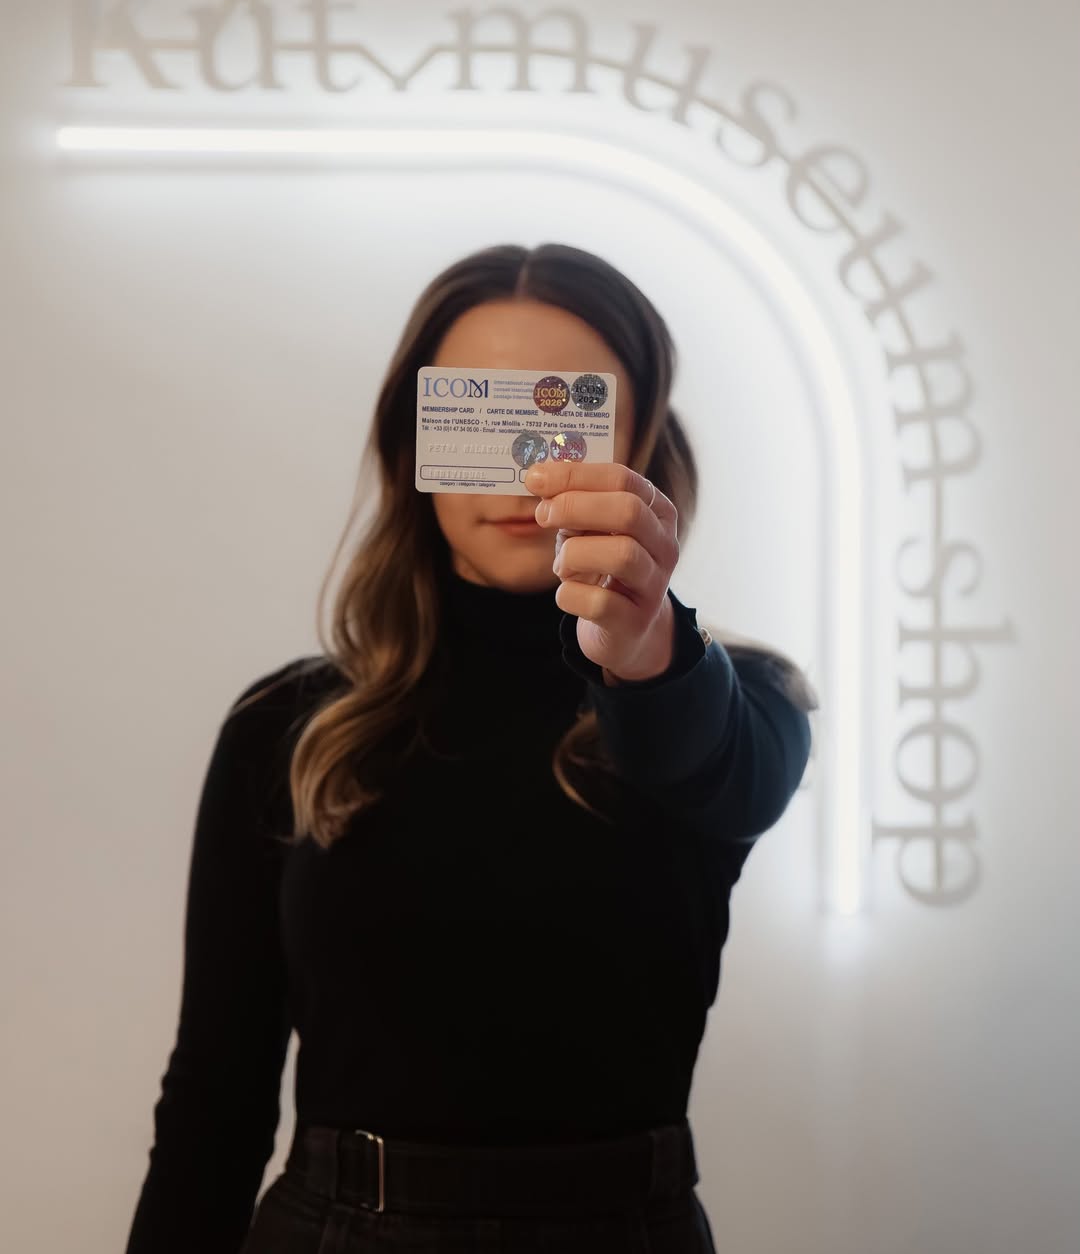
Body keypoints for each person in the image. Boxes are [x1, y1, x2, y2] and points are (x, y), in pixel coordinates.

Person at [124, 242, 818, 1254]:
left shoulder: (739, 701)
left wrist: (650, 651)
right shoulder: (288, 727)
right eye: (476, 408)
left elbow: (723, 774)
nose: (526, 460)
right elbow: (214, 1098)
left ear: (638, 445)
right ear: (413, 440)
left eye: (565, 411)